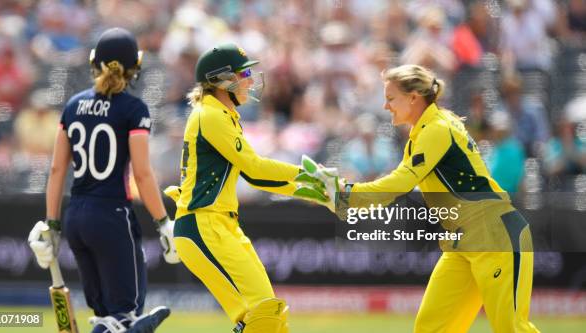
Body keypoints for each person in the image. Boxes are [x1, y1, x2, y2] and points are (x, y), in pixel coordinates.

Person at [316, 64, 540, 332]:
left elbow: (400, 183)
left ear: (413, 97)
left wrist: (346, 195)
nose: (386, 107)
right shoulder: (426, 130)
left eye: (390, 98)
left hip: (494, 236)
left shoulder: (436, 129)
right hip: (462, 243)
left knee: (511, 328)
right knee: (431, 328)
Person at [164, 43, 328, 333]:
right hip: (203, 225)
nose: (250, 80)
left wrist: (311, 190)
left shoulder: (224, 115)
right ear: (221, 80)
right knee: (261, 314)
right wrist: (308, 176)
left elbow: (255, 177)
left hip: (221, 226)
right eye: (244, 73)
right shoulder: (210, 115)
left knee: (271, 315)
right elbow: (255, 167)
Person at [27, 27, 179, 333]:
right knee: (126, 315)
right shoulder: (133, 109)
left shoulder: (73, 106)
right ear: (134, 66)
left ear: (95, 62)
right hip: (111, 216)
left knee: (105, 315)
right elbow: (142, 173)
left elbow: (57, 170)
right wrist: (163, 221)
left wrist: (52, 223)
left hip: (75, 218)